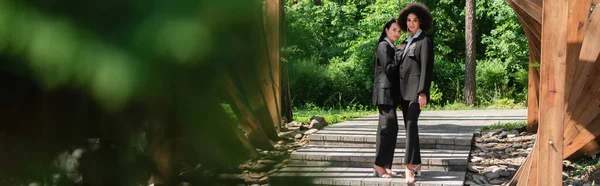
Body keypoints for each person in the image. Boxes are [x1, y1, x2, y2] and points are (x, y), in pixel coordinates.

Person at [397, 2, 434, 184]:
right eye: (409, 20)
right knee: (410, 128)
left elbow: (427, 68)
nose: (411, 23)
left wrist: (423, 92)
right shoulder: (406, 41)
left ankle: (408, 168)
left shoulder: (424, 40)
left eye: (415, 20)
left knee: (411, 126)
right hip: (403, 94)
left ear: (421, 22)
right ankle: (417, 163)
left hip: (416, 92)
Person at [371, 18, 403, 178]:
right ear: (386, 30)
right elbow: (389, 69)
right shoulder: (384, 46)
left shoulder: (389, 46)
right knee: (389, 129)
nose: (397, 33)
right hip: (384, 94)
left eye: (399, 31)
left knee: (385, 130)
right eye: (394, 30)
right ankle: (379, 165)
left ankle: (384, 166)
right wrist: (399, 52)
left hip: (389, 94)